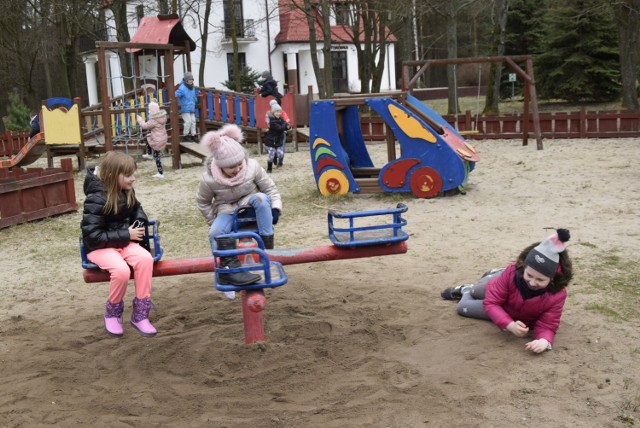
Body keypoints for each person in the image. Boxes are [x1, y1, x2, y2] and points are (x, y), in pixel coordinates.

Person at [441, 229, 573, 354]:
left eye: (540, 279)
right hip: (496, 292)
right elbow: (492, 302)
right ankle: (486, 279)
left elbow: (548, 323)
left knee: (462, 307)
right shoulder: (513, 272)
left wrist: (544, 341)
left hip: (506, 311)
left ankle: (465, 290)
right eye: (529, 275)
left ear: (552, 278)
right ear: (524, 267)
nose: (533, 282)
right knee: (477, 290)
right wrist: (509, 325)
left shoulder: (557, 295)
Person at [81, 151, 157, 338]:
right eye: (128, 175)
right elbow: (92, 235)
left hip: (123, 241)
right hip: (99, 247)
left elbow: (137, 209)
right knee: (121, 270)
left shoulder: (126, 191)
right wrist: (126, 234)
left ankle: (140, 315)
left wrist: (139, 221)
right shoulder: (96, 198)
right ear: (112, 176)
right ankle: (113, 313)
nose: (133, 179)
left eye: (133, 174)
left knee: (145, 259)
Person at [195, 124, 282, 287]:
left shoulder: (253, 166)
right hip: (226, 210)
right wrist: (213, 221)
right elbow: (203, 202)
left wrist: (275, 208)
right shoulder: (209, 179)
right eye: (230, 167)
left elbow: (269, 188)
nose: (236, 169)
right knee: (215, 232)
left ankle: (267, 249)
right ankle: (227, 268)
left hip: (249, 204)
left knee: (262, 198)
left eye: (239, 164)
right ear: (220, 166)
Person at [136, 101, 167, 178]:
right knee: (148, 136)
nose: (148, 111)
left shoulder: (153, 120)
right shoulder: (162, 117)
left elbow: (144, 126)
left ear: (152, 111)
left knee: (156, 156)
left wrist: (139, 119)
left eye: (149, 110)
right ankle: (160, 171)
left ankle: (160, 173)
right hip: (163, 138)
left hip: (157, 140)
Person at [175, 71, 200, 142]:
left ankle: (193, 135)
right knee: (188, 121)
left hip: (191, 107)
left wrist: (196, 101)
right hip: (185, 108)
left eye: (192, 79)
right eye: (189, 80)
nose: (191, 81)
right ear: (186, 80)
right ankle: (185, 136)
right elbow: (176, 94)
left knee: (193, 121)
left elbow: (193, 96)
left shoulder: (192, 87)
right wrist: (177, 97)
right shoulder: (182, 88)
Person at [264, 103, 289, 172]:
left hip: (277, 141)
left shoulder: (280, 119)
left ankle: (275, 156)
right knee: (271, 155)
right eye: (277, 112)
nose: (279, 113)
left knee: (281, 154)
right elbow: (280, 128)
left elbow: (284, 127)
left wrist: (287, 127)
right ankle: (269, 169)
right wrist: (285, 124)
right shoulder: (272, 121)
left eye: (279, 112)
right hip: (270, 141)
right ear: (273, 112)